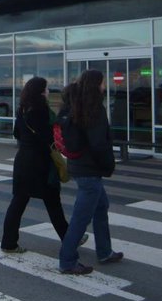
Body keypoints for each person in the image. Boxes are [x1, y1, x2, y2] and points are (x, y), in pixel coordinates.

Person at [58, 69, 123, 275]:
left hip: (77, 165)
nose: (105, 86)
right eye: (103, 82)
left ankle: (105, 251)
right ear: (96, 84)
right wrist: (108, 166)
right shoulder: (94, 108)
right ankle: (67, 260)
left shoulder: (73, 104)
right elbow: (98, 144)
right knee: (81, 218)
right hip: (90, 169)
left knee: (101, 206)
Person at [0, 76, 70, 253]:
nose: (48, 91)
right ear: (40, 91)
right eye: (46, 89)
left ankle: (9, 243)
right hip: (40, 162)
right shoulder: (41, 111)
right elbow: (47, 137)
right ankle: (70, 238)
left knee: (18, 201)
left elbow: (17, 133)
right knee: (53, 201)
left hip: (23, 160)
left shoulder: (22, 109)